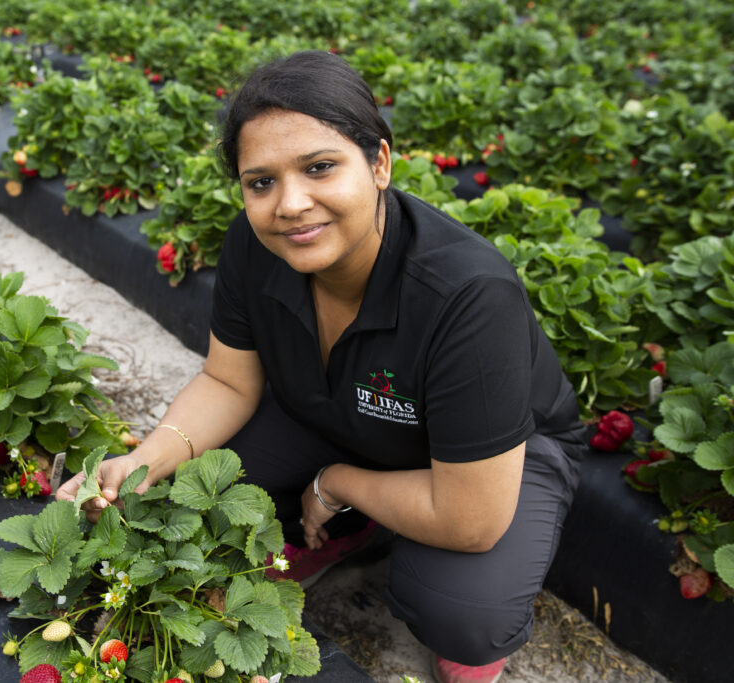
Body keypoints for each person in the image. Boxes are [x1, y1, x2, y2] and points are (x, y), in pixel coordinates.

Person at [57, 50, 586, 683]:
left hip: (493, 463)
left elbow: (471, 521)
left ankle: (368, 524)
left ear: (379, 163)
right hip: (343, 410)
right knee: (199, 486)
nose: (290, 204)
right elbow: (228, 380)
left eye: (319, 167)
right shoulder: (255, 250)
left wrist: (334, 482)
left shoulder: (467, 296)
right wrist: (143, 459)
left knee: (461, 609)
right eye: (262, 182)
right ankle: (353, 529)